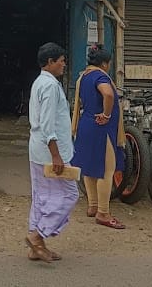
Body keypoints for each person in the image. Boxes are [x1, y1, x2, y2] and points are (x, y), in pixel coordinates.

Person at [26, 42, 79, 263]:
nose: (64, 65)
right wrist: (56, 154)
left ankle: (37, 246)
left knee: (41, 195)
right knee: (69, 194)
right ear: (50, 62)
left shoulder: (41, 82)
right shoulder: (48, 86)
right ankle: (38, 236)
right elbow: (47, 123)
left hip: (39, 150)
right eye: (61, 61)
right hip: (50, 152)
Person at [71, 44, 126, 230]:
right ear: (104, 63)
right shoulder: (100, 76)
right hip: (100, 127)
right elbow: (108, 94)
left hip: (86, 124)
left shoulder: (83, 76)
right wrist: (107, 114)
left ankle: (92, 205)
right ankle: (103, 212)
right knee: (105, 169)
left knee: (90, 167)